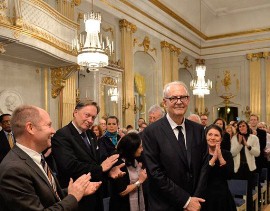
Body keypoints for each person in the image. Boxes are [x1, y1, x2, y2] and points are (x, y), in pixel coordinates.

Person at [0, 105, 101, 211]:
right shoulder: (14, 169)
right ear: (30, 128)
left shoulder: (36, 157)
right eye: (49, 125)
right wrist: (73, 197)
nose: (53, 131)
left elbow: (50, 195)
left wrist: (76, 190)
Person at [142, 81, 208, 211]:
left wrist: (194, 199)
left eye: (183, 97)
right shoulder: (151, 132)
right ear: (165, 102)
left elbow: (204, 166)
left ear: (188, 100)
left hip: (195, 204)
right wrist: (186, 201)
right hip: (164, 205)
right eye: (173, 98)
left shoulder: (198, 130)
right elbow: (155, 173)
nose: (179, 101)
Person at [52, 101, 125, 211]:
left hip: (96, 195)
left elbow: (95, 163)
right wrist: (100, 168)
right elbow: (70, 166)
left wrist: (107, 172)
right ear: (75, 112)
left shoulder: (91, 134)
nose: (90, 120)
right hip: (78, 199)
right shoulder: (62, 135)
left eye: (93, 117)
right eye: (87, 115)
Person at [201, 124, 236, 211]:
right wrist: (213, 159)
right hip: (204, 197)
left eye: (216, 135)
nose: (212, 138)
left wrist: (220, 157)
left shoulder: (227, 154)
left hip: (222, 197)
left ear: (221, 138)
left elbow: (230, 175)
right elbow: (201, 176)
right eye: (210, 134)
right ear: (205, 137)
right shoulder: (200, 154)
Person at [110, 132, 147, 211]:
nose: (142, 150)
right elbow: (122, 191)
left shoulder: (134, 160)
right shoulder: (118, 164)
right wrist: (139, 181)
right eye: (140, 147)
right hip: (122, 206)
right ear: (132, 149)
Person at [231, 120, 260, 211]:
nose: (241, 128)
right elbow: (232, 153)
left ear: (247, 127)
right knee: (238, 192)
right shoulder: (234, 138)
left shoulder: (254, 138)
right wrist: (239, 144)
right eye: (239, 126)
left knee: (248, 192)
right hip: (238, 168)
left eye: (243, 126)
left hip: (249, 168)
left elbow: (257, 153)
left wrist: (247, 145)